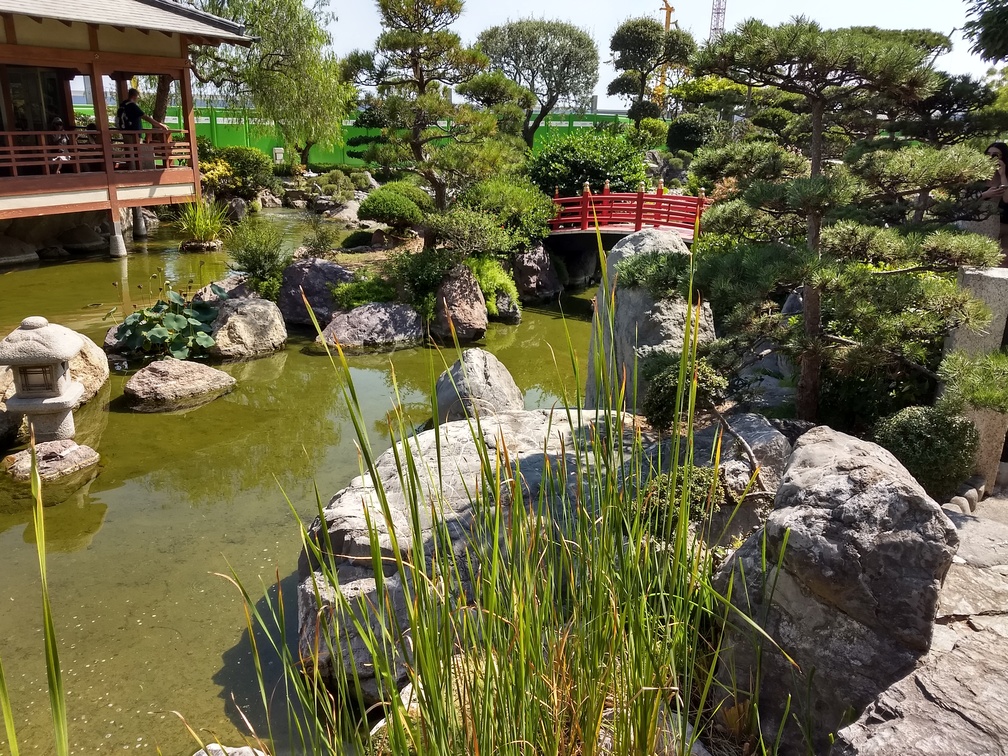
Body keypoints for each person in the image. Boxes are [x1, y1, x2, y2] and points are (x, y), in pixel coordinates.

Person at [115, 88, 167, 169]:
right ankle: (137, 168)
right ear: (135, 96)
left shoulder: (123, 104)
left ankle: (133, 168)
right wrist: (160, 125)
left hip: (125, 132)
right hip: (134, 134)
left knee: (130, 152)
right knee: (135, 152)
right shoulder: (132, 106)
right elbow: (145, 117)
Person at [981, 142, 1008, 261]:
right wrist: (984, 195)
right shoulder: (976, 174)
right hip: (972, 219)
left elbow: (1007, 199)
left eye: (995, 155)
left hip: (992, 221)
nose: (991, 158)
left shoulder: (1004, 177)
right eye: (988, 154)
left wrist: (1002, 175)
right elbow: (962, 199)